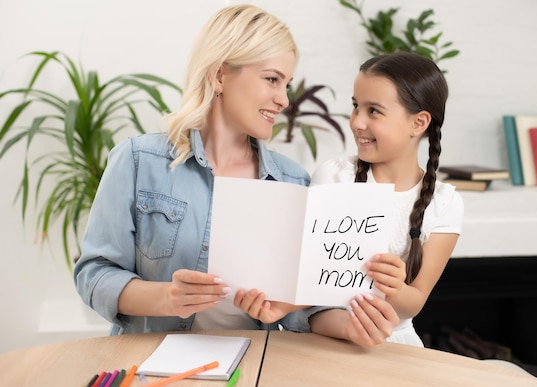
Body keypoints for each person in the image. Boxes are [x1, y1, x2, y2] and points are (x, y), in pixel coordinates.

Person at [74, 4, 397, 347]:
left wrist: (353, 325)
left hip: (249, 367)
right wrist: (167, 296)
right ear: (219, 76)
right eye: (272, 79)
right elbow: (94, 273)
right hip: (151, 362)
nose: (283, 99)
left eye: (285, 83)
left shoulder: (293, 182)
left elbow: (297, 306)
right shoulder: (138, 161)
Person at [307, 52, 464, 346]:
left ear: (418, 123)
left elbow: (414, 303)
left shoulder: (444, 204)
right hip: (329, 336)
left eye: (374, 111)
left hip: (396, 344)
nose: (356, 122)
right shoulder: (333, 177)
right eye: (355, 106)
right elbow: (311, 293)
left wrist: (394, 288)